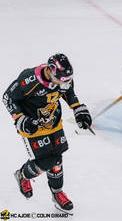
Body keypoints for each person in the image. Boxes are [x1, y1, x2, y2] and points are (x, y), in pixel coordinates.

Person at [2, 53, 92, 213]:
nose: (65, 83)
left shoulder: (63, 77)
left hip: (54, 121)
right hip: (32, 126)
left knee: (57, 158)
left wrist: (77, 107)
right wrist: (19, 119)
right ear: (50, 72)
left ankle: (57, 193)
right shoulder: (29, 79)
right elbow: (8, 97)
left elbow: (67, 90)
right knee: (47, 161)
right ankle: (22, 175)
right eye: (62, 80)